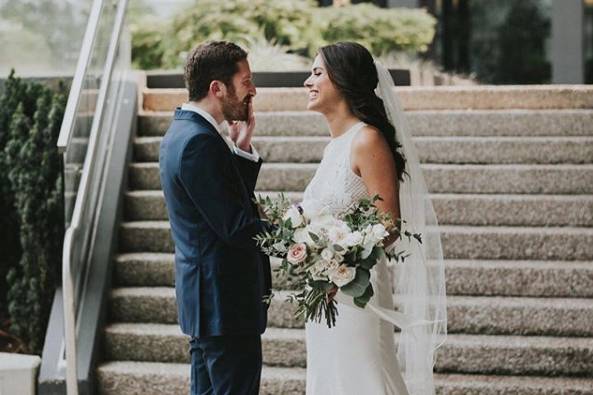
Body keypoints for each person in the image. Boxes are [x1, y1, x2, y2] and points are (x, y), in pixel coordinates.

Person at [302, 42, 447, 395]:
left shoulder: (367, 139)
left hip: (356, 291)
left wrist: (341, 263)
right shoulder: (333, 146)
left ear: (343, 79)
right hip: (324, 290)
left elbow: (389, 224)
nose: (308, 81)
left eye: (318, 73)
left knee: (362, 376)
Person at [159, 41, 272, 395]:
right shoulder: (199, 142)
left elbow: (218, 204)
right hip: (225, 306)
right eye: (246, 80)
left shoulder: (183, 132)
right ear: (217, 88)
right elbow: (235, 226)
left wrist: (240, 150)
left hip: (209, 306)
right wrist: (297, 235)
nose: (253, 90)